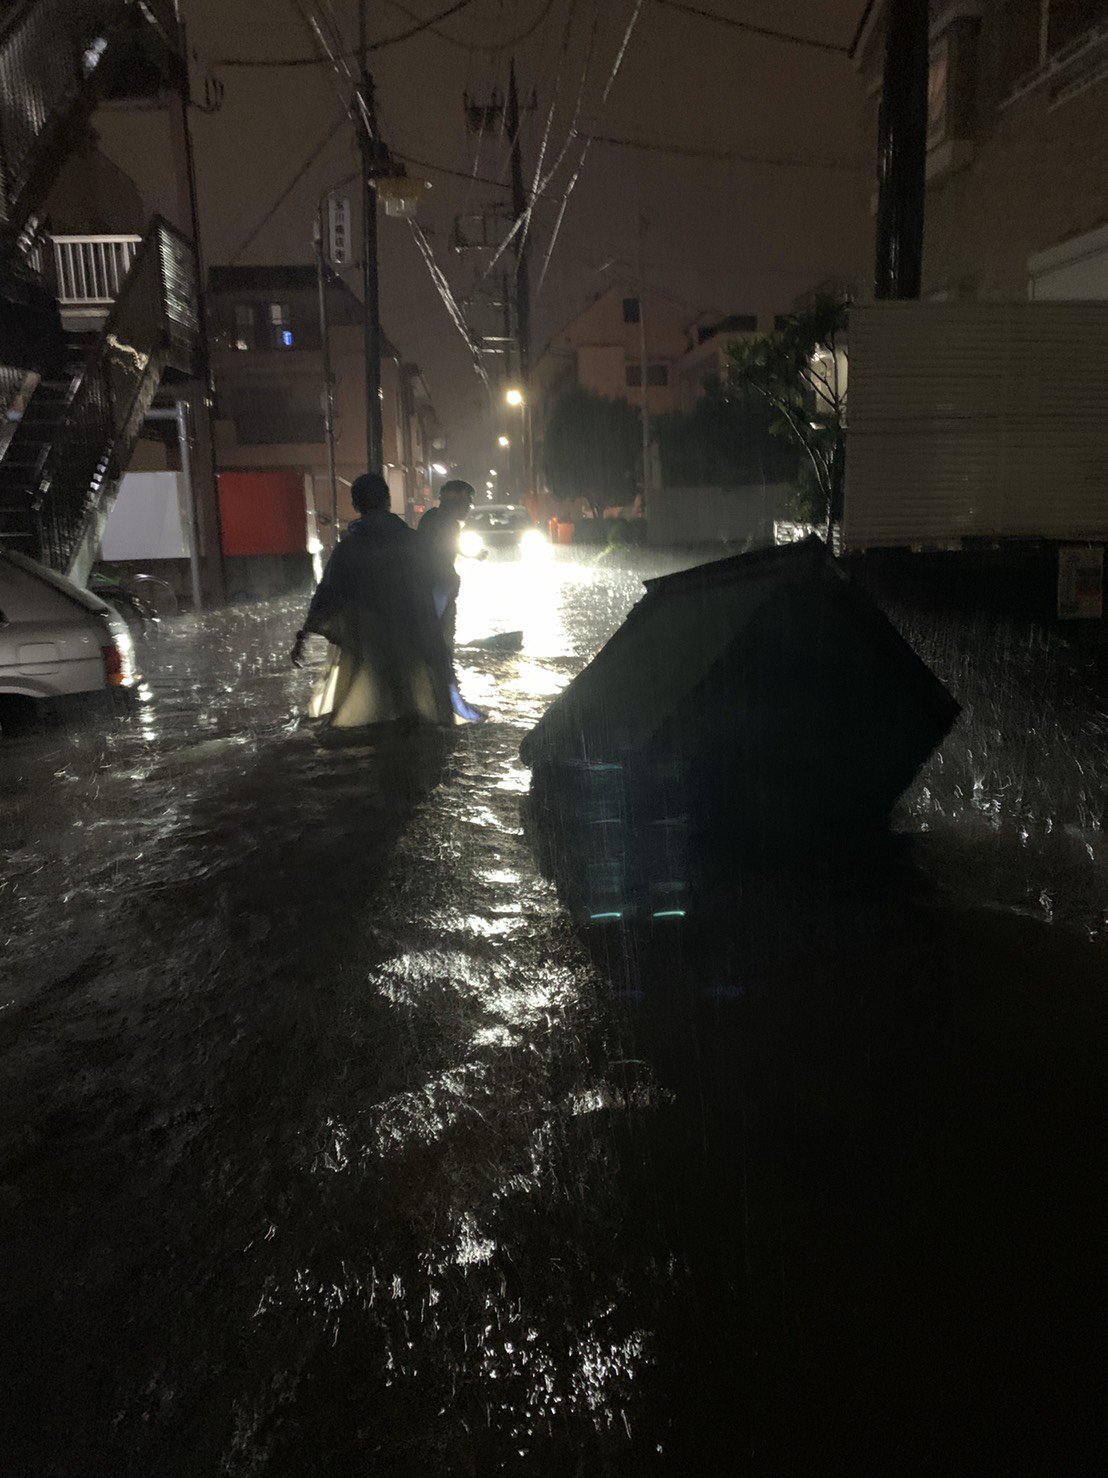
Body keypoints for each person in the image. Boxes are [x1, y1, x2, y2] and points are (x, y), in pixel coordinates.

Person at [290, 473, 453, 728]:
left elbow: (327, 594)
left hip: (371, 641)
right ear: (388, 501)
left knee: (378, 710)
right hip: (416, 634)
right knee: (417, 706)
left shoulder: (349, 549)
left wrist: (304, 636)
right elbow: (443, 580)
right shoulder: (413, 541)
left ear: (356, 506)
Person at [416, 478, 474, 655]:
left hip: (435, 588)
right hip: (437, 588)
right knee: (441, 642)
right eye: (467, 501)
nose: (470, 506)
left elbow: (446, 546)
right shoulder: (446, 523)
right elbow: (439, 551)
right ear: (457, 502)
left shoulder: (433, 518)